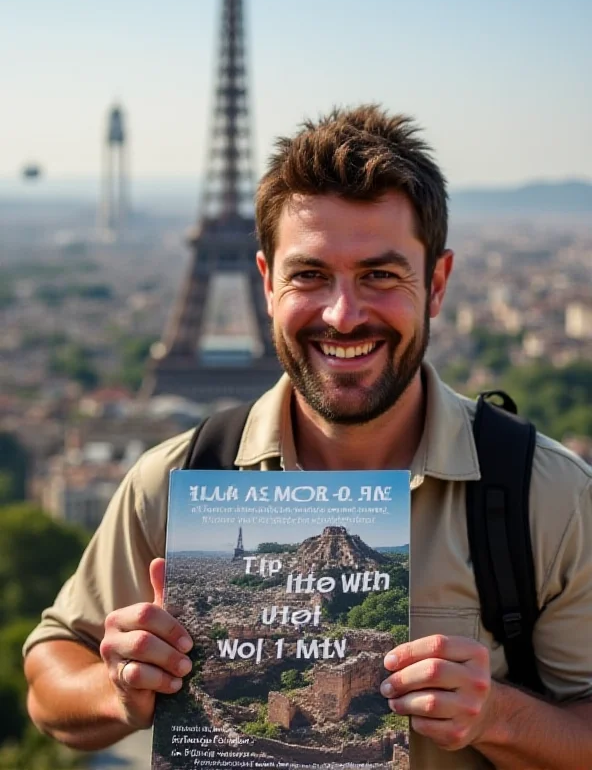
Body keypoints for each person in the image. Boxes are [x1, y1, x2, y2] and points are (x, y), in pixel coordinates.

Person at [23, 105, 592, 770]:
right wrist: (117, 687)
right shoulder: (174, 477)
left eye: (380, 274)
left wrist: (497, 715)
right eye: (310, 274)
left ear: (436, 283)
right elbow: (49, 678)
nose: (343, 315)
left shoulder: (546, 497)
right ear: (267, 283)